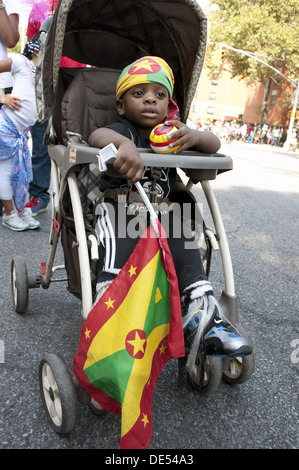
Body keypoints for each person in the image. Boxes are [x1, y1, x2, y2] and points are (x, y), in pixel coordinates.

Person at [89, 56, 252, 376]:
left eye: (159, 95)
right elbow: (96, 137)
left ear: (168, 105)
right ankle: (110, 317)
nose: (150, 99)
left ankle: (201, 315)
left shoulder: (172, 137)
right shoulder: (122, 130)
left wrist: (192, 136)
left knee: (182, 229)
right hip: (121, 207)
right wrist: (123, 144)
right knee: (119, 233)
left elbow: (215, 144)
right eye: (139, 94)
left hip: (160, 214)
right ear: (121, 106)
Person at [24, 0, 86, 216]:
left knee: (74, 139)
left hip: (77, 79)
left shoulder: (83, 5)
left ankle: (72, 195)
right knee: (41, 139)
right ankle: (39, 195)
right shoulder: (37, 9)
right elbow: (30, 47)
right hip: (46, 79)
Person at [0, 40, 41, 231]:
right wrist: (2, 97)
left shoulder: (45, 73)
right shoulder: (21, 61)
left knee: (21, 173)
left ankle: (19, 209)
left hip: (20, 132)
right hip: (7, 128)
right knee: (6, 172)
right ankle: (9, 214)